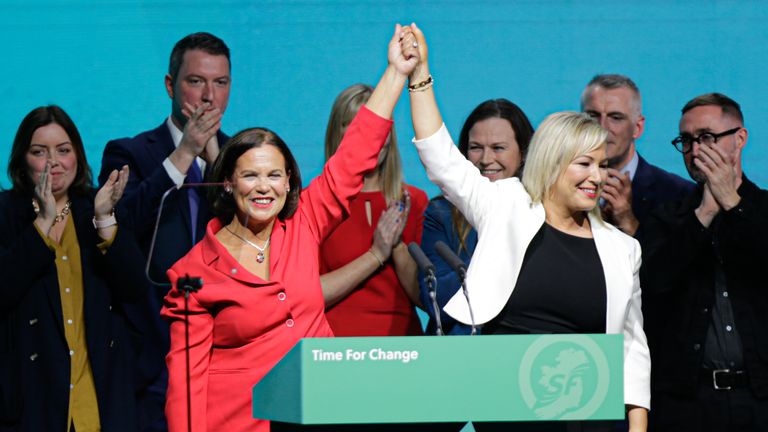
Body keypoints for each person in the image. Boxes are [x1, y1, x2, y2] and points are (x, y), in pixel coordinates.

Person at [159, 25, 418, 432]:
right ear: (228, 182)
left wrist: (396, 74)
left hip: (320, 414)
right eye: (251, 176)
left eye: (275, 175)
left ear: (288, 182)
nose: (264, 187)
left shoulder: (303, 223)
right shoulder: (195, 273)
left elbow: (354, 154)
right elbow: (185, 385)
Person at [404, 24, 649, 431]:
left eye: (602, 165)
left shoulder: (622, 248)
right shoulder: (506, 204)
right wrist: (419, 75)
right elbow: (440, 158)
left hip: (589, 418)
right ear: (552, 161)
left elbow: (632, 349)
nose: (596, 177)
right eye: (584, 164)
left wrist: (637, 428)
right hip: (507, 412)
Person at [98, 32, 231, 431]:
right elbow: (123, 225)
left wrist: (218, 162)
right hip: (153, 350)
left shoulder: (242, 159)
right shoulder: (129, 152)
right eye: (196, 81)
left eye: (220, 83)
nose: (209, 96)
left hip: (224, 350)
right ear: (171, 85)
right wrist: (185, 153)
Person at [0, 105, 146, 431]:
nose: (53, 162)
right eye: (40, 152)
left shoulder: (98, 208)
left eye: (63, 151)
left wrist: (106, 219)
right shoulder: (6, 214)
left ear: (77, 156)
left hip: (101, 401)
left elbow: (135, 288)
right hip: (32, 403)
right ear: (23, 161)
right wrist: (42, 225)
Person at [641, 93, 768, 431]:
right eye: (686, 140)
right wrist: (705, 213)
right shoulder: (666, 217)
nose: (696, 151)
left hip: (759, 400)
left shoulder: (763, 209)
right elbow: (652, 286)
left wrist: (732, 203)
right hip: (687, 404)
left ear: (739, 139)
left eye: (707, 138)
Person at [319, 83, 427, 336]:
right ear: (338, 134)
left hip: (403, 352)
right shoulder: (315, 205)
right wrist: (376, 254)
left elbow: (427, 300)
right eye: (357, 127)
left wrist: (397, 246)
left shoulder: (415, 201)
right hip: (334, 353)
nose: (372, 138)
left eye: (380, 128)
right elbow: (308, 295)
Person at [419, 98, 533, 335]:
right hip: (459, 350)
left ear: (523, 153)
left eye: (498, 148)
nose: (485, 159)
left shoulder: (542, 210)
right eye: (476, 147)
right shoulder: (441, 213)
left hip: (522, 349)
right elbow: (437, 300)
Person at [581, 74, 693, 237]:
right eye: (592, 115)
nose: (602, 127)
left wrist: (629, 224)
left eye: (616, 117)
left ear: (637, 128)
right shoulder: (556, 187)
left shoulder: (679, 195)